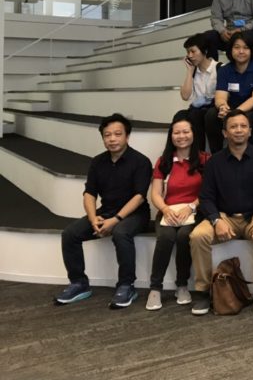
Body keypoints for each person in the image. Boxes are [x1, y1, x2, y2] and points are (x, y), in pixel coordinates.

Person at [55, 113, 151, 308]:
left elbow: (139, 197)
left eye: (117, 134)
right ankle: (79, 283)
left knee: (121, 232)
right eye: (107, 135)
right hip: (106, 211)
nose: (112, 139)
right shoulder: (98, 161)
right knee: (70, 234)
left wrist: (115, 220)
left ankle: (126, 285)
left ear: (127, 136)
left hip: (136, 214)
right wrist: (93, 219)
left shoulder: (141, 161)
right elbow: (89, 194)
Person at [189, 110, 253, 315]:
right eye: (233, 127)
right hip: (224, 217)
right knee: (197, 236)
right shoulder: (214, 162)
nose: (238, 130)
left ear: (250, 131)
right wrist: (216, 220)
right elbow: (206, 197)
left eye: (243, 126)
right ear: (225, 133)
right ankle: (202, 292)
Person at [146, 112, 210, 311]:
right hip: (168, 212)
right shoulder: (163, 161)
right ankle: (155, 288)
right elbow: (155, 193)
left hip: (194, 211)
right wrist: (165, 209)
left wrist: (190, 207)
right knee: (165, 237)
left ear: (193, 133)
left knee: (184, 236)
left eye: (185, 132)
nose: (181, 136)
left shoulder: (205, 159)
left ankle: (182, 284)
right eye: (176, 133)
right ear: (171, 136)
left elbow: (208, 192)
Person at [204, 33, 253, 153]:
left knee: (248, 118)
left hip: (252, 108)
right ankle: (217, 155)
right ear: (231, 50)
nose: (241, 51)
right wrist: (223, 107)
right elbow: (220, 96)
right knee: (211, 114)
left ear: (251, 50)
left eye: (246, 48)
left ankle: (247, 155)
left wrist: (235, 114)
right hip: (231, 108)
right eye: (237, 47)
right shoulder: (224, 70)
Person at [179, 33, 219, 146]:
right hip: (199, 110)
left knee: (206, 115)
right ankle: (197, 153)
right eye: (188, 52)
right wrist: (189, 71)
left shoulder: (220, 68)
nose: (190, 55)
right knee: (180, 115)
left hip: (215, 109)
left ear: (204, 51)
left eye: (193, 51)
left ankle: (214, 151)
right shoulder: (193, 72)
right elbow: (185, 96)